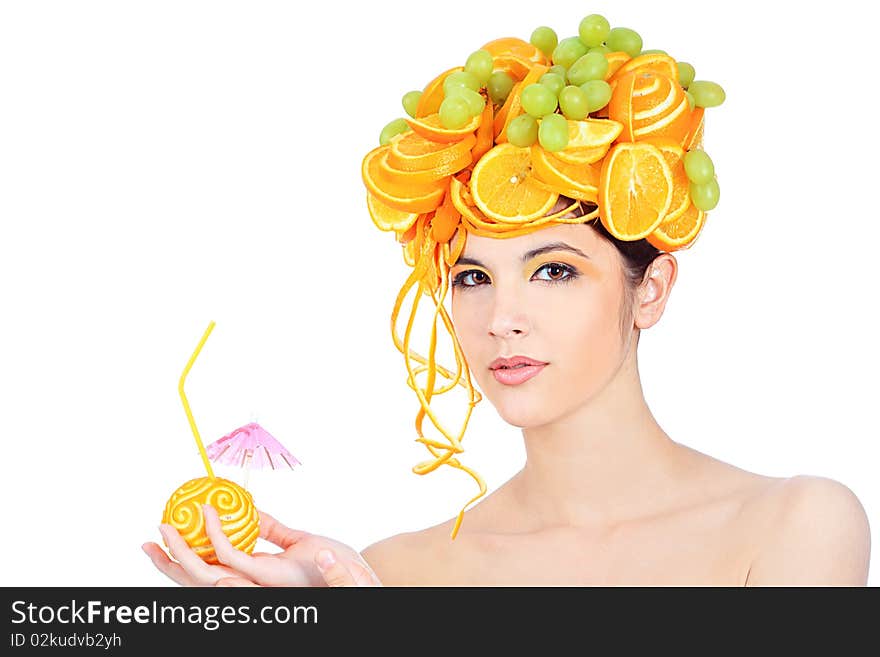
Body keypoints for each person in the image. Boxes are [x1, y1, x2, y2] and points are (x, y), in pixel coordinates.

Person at [143, 17, 871, 586]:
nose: (501, 318)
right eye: (471, 277)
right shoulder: (397, 572)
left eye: (553, 270)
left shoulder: (794, 527)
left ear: (649, 288)